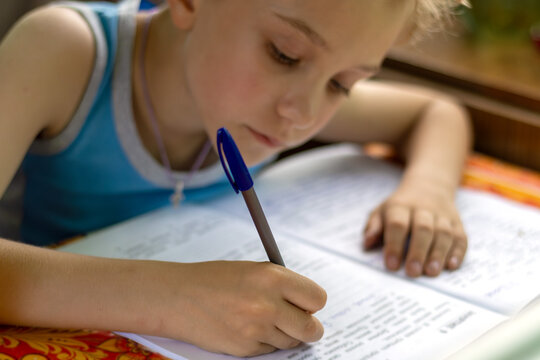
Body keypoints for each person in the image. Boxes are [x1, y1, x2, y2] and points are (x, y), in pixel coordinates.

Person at [0, 0, 471, 357]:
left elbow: (435, 112)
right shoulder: (65, 52)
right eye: (284, 55)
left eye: (342, 84)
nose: (303, 115)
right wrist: (175, 298)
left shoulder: (282, 102)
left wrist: (427, 189)